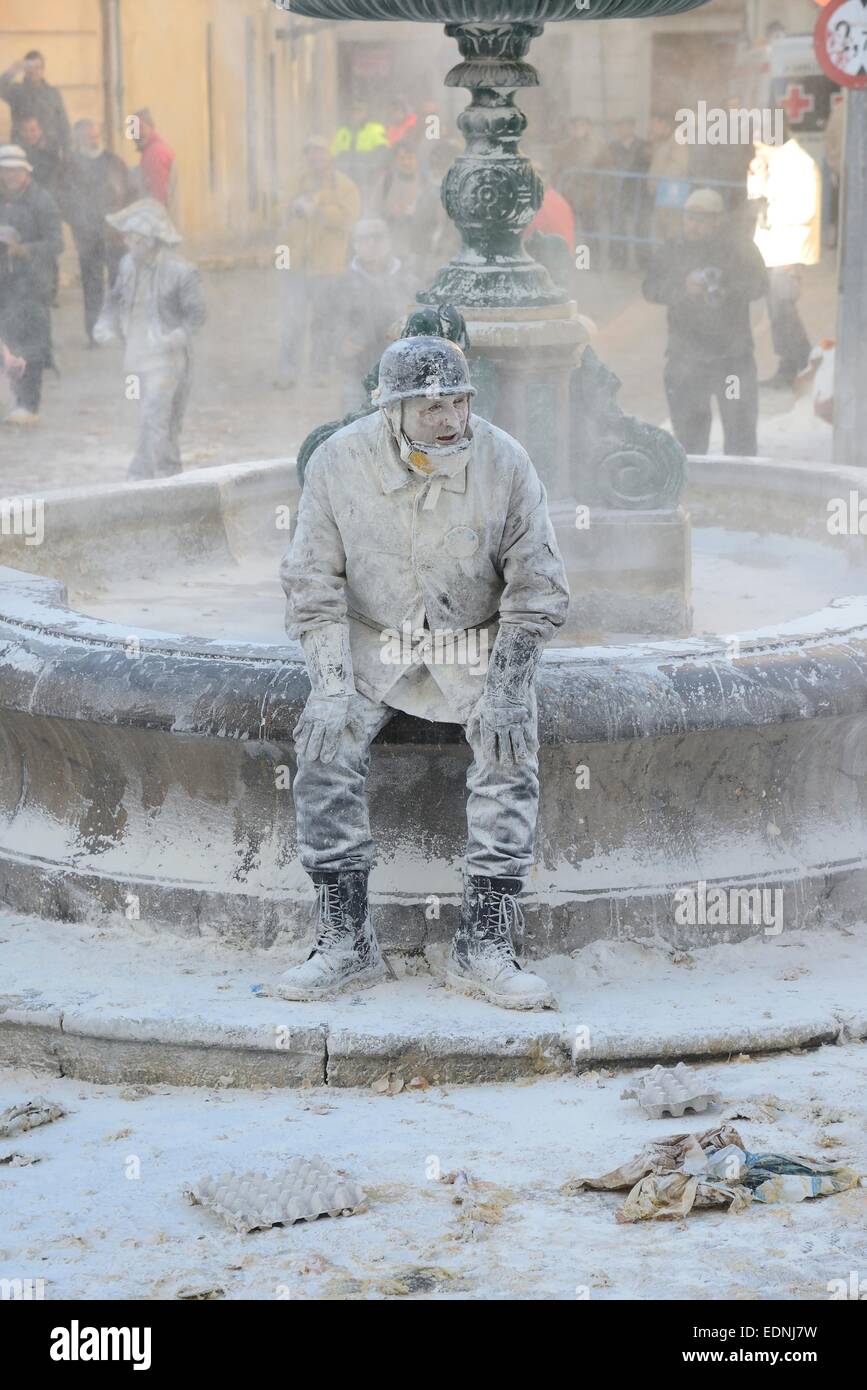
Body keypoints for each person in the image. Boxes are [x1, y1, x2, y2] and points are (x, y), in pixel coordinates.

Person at [278, 335, 570, 1010]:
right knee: (322, 746)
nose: (445, 417)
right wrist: (327, 686)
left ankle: (485, 943)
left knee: (509, 748)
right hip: (373, 639)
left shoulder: (506, 462)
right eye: (427, 405)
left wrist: (505, 690)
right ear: (390, 410)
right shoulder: (337, 462)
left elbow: (537, 591)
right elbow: (311, 585)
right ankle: (344, 939)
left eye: (457, 402)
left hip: (472, 639)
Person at [642, 187, 767, 458]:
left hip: (733, 358)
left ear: (718, 220)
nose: (693, 225)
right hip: (687, 358)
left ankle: (740, 494)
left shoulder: (740, 248)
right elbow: (650, 288)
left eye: (701, 220)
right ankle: (693, 492)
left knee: (741, 436)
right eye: (689, 218)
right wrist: (683, 288)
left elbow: (760, 284)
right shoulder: (672, 249)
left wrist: (726, 290)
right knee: (689, 442)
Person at [93, 199, 206, 479]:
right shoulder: (127, 265)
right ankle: (148, 474)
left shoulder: (181, 271)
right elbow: (115, 299)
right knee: (148, 419)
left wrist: (172, 339)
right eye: (128, 237)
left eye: (137, 238)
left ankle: (163, 476)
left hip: (170, 361)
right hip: (136, 358)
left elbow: (197, 316)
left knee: (156, 418)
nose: (129, 243)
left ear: (153, 240)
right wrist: (104, 324)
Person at [276, 136, 361, 390]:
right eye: (310, 153)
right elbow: (278, 212)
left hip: (328, 267)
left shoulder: (345, 186)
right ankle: (287, 371)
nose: (315, 158)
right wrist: (293, 207)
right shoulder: (295, 183)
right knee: (291, 320)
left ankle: (319, 371)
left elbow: (350, 220)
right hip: (297, 265)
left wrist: (319, 211)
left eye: (320, 152)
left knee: (323, 322)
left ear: (329, 156)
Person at [748, 125, 820, 390]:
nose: (756, 152)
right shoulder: (775, 163)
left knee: (783, 310)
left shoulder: (799, 163)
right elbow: (755, 198)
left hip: (788, 248)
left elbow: (804, 209)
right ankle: (790, 365)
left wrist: (771, 199)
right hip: (773, 249)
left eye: (759, 146)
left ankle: (804, 362)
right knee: (778, 312)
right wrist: (757, 176)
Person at [0, 145, 63, 426]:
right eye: (5, 170)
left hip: (35, 284)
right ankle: (14, 400)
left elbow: (56, 243)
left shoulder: (42, 200)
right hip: (6, 284)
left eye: (15, 169)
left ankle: (29, 405)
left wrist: (22, 250)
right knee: (8, 344)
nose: (9, 175)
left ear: (26, 171)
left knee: (33, 346)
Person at [60, 119, 131, 344]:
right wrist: (76, 221)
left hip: (114, 234)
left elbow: (129, 192)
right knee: (92, 285)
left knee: (119, 282)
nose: (94, 139)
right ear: (78, 138)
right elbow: (61, 197)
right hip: (86, 235)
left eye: (96, 135)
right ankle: (94, 332)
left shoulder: (114, 162)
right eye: (89, 135)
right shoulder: (69, 165)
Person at [335, 218, 414, 413]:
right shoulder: (341, 282)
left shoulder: (409, 279)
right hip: (356, 371)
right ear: (355, 245)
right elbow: (327, 323)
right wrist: (340, 343)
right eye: (364, 238)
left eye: (377, 237)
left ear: (389, 241)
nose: (372, 243)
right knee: (354, 426)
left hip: (401, 371)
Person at [375, 141, 440, 281]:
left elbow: (436, 217)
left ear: (416, 160)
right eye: (401, 158)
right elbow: (374, 212)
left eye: (409, 158)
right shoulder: (386, 181)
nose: (406, 162)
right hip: (391, 250)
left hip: (418, 251)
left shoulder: (426, 182)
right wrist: (389, 214)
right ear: (395, 161)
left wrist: (416, 215)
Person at [0, 52, 70, 161]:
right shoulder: (16, 91)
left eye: (38, 68)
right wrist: (12, 71)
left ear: (43, 70)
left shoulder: (52, 93)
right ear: (24, 70)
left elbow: (63, 124)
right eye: (30, 68)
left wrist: (67, 151)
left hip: (48, 150)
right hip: (22, 149)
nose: (34, 72)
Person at [553, 116, 609, 251]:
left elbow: (607, 169)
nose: (577, 129)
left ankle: (591, 261)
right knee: (565, 228)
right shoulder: (564, 147)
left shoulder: (599, 146)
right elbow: (556, 169)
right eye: (575, 126)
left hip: (589, 195)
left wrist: (602, 191)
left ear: (589, 127)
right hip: (568, 194)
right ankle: (567, 258)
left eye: (582, 125)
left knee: (589, 229)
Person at [606, 116, 651, 270]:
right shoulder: (612, 147)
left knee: (641, 227)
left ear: (632, 127)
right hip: (619, 192)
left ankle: (644, 260)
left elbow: (647, 166)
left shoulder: (644, 146)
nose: (621, 130)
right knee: (618, 227)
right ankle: (619, 260)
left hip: (639, 192)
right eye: (618, 126)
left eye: (624, 126)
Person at [646, 112, 690, 245]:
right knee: (661, 226)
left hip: (672, 192)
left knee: (672, 227)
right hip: (662, 193)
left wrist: (660, 181)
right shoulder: (660, 142)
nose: (651, 128)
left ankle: (672, 257)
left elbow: (679, 165)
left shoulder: (677, 140)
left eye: (654, 124)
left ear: (664, 125)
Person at [133, 109, 177, 212]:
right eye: (133, 130)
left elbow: (157, 200)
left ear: (151, 127)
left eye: (140, 127)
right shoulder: (152, 151)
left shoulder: (155, 154)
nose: (136, 133)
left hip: (159, 223)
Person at [17, 115, 62, 198]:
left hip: (48, 194)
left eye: (33, 130)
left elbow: (54, 177)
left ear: (40, 131)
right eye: (24, 130)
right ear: (20, 132)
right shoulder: (17, 153)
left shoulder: (51, 152)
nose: (29, 135)